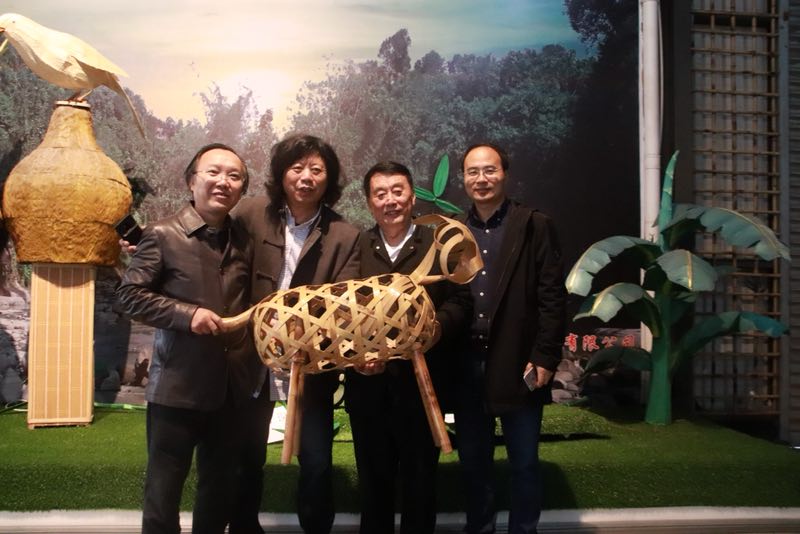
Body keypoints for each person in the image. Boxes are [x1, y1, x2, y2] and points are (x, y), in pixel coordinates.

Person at [116, 143, 257, 534]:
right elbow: (128, 296)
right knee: (163, 494)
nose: (223, 182)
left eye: (234, 176)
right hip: (177, 387)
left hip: (229, 389)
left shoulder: (244, 240)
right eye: (213, 172)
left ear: (241, 190)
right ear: (191, 181)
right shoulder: (162, 234)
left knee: (218, 489)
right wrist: (187, 315)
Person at [230, 134, 360, 534]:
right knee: (245, 456)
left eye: (316, 169)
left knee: (317, 461)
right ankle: (244, 527)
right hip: (252, 359)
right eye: (296, 167)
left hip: (311, 362)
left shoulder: (344, 234)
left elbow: (344, 303)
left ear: (329, 178)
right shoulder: (250, 213)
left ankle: (316, 527)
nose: (306, 177)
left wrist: (307, 338)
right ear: (281, 173)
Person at [343, 161, 471, 534]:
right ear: (370, 203)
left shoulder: (437, 243)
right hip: (369, 388)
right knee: (373, 485)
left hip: (422, 386)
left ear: (412, 196)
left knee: (420, 484)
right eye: (380, 194)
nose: (390, 201)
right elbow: (342, 309)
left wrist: (433, 329)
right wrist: (358, 354)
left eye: (397, 191)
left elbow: (461, 301)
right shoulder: (357, 246)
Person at [454, 143, 566, 534]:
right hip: (466, 362)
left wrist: (546, 356)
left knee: (524, 462)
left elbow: (553, 296)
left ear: (505, 174)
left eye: (490, 170)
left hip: (520, 360)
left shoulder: (534, 224)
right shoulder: (452, 230)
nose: (481, 179)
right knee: (473, 461)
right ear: (463, 178)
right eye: (472, 172)